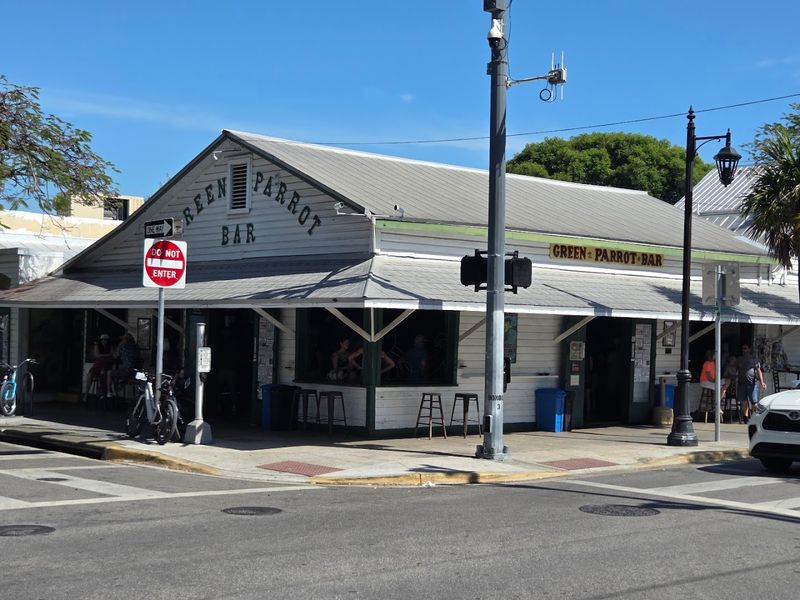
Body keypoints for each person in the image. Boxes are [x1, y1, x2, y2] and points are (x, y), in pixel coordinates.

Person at [737, 343, 766, 420]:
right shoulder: (739, 359)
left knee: (754, 403)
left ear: (749, 349)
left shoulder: (754, 359)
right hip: (741, 383)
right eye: (743, 348)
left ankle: (754, 418)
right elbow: (734, 369)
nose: (744, 350)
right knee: (744, 402)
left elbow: (758, 371)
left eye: (746, 348)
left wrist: (762, 382)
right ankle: (745, 419)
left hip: (752, 384)